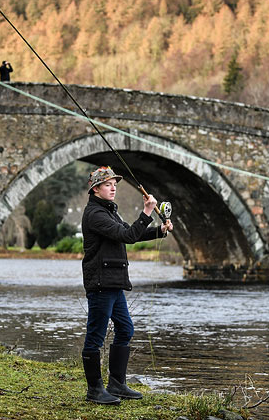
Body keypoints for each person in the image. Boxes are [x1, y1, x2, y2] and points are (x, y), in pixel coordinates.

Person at [80, 166, 173, 405]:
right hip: (101, 283)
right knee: (95, 337)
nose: (113, 188)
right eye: (108, 184)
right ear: (96, 189)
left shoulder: (109, 212)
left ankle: (117, 384)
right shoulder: (95, 215)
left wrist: (159, 231)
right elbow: (128, 236)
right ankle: (94, 390)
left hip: (114, 282)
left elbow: (129, 233)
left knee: (125, 329)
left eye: (114, 184)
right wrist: (146, 212)